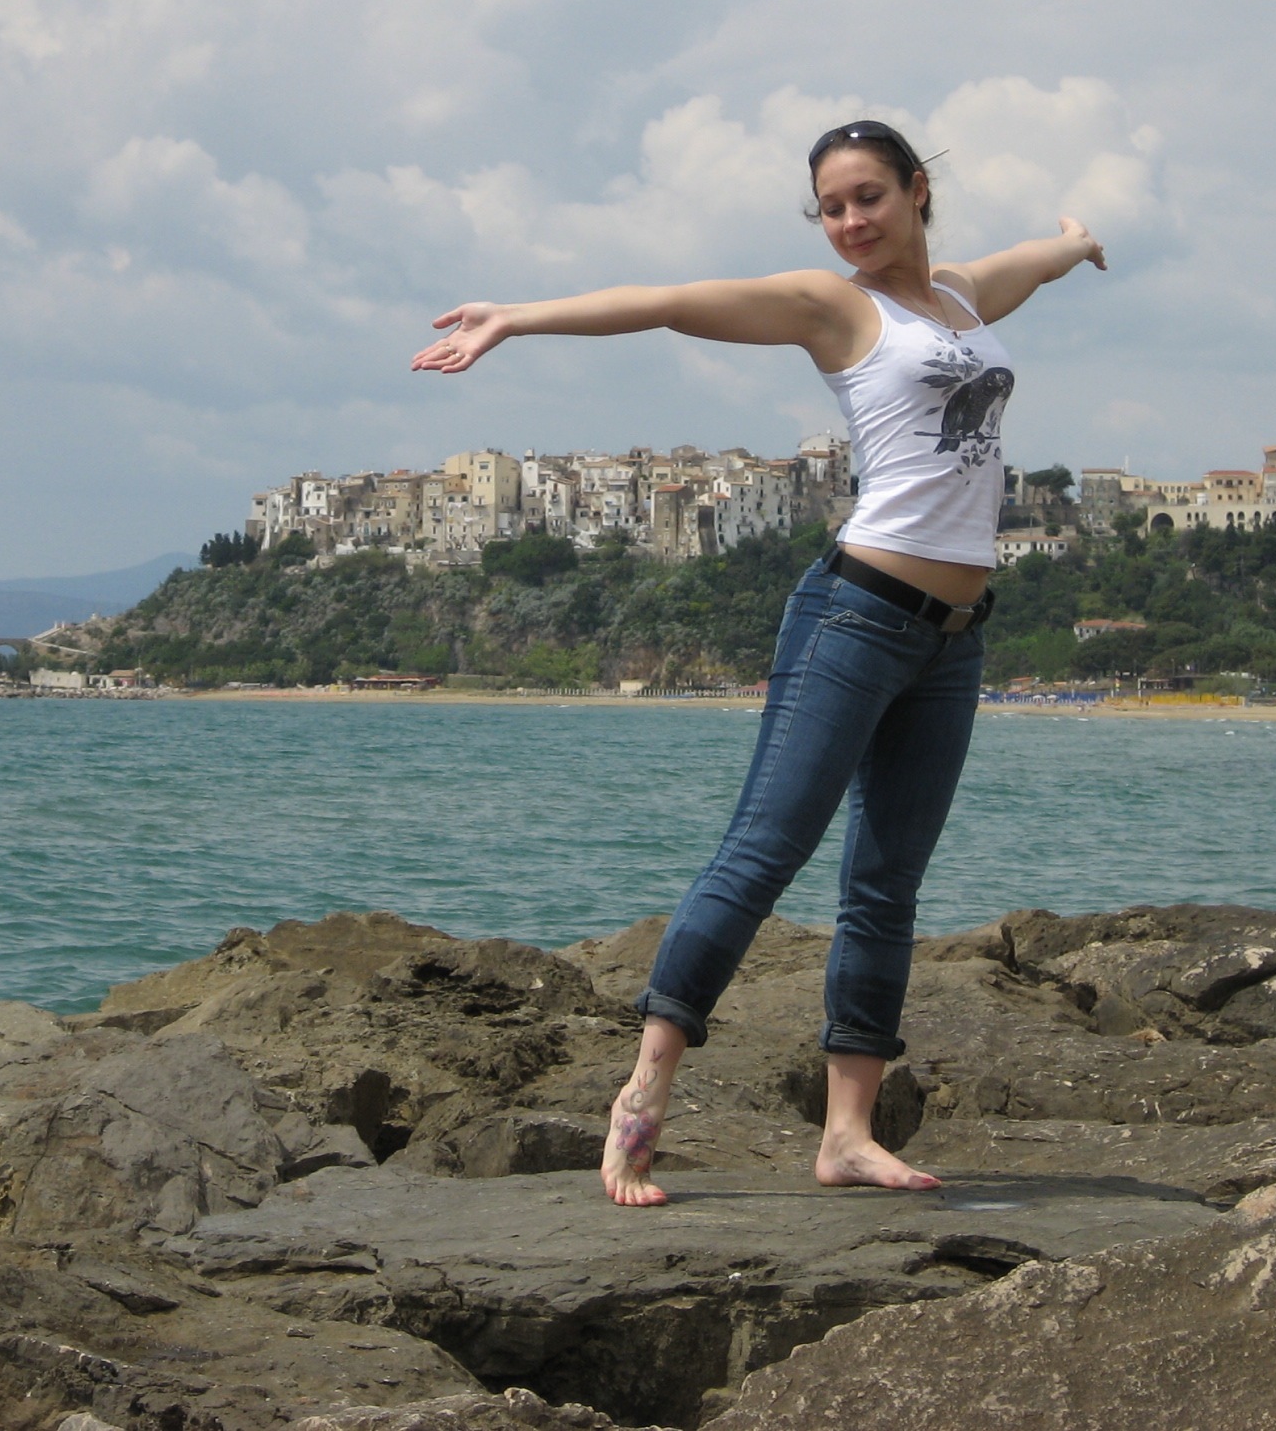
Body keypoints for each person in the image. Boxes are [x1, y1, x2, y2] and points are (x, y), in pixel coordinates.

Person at [411, 120, 1105, 1204]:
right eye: (831, 207)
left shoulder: (963, 297)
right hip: (854, 617)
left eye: (869, 197)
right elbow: (669, 301)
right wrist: (517, 318)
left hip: (953, 641)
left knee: (887, 883)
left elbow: (1038, 260)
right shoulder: (835, 307)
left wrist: (1075, 240)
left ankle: (847, 1135)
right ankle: (643, 1095)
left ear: (918, 192)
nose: (850, 221)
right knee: (763, 852)